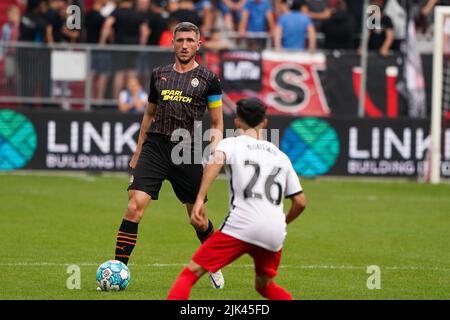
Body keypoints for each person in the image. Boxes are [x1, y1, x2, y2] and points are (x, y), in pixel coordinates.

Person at [112, 22, 225, 289]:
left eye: (189, 40)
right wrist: (138, 151)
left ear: (199, 44)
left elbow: (217, 122)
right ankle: (118, 269)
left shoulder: (209, 80)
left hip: (185, 150)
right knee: (133, 207)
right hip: (155, 147)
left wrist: (215, 147)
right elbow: (148, 115)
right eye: (179, 40)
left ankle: (214, 262)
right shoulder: (158, 74)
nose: (184, 45)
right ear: (172, 43)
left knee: (197, 218)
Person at [167, 98, 307, 300]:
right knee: (264, 286)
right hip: (274, 233)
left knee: (189, 274)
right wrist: (281, 222)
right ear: (265, 123)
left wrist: (199, 200)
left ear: (237, 122)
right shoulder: (280, 156)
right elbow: (301, 202)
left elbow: (214, 165)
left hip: (242, 225)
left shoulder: (230, 144)